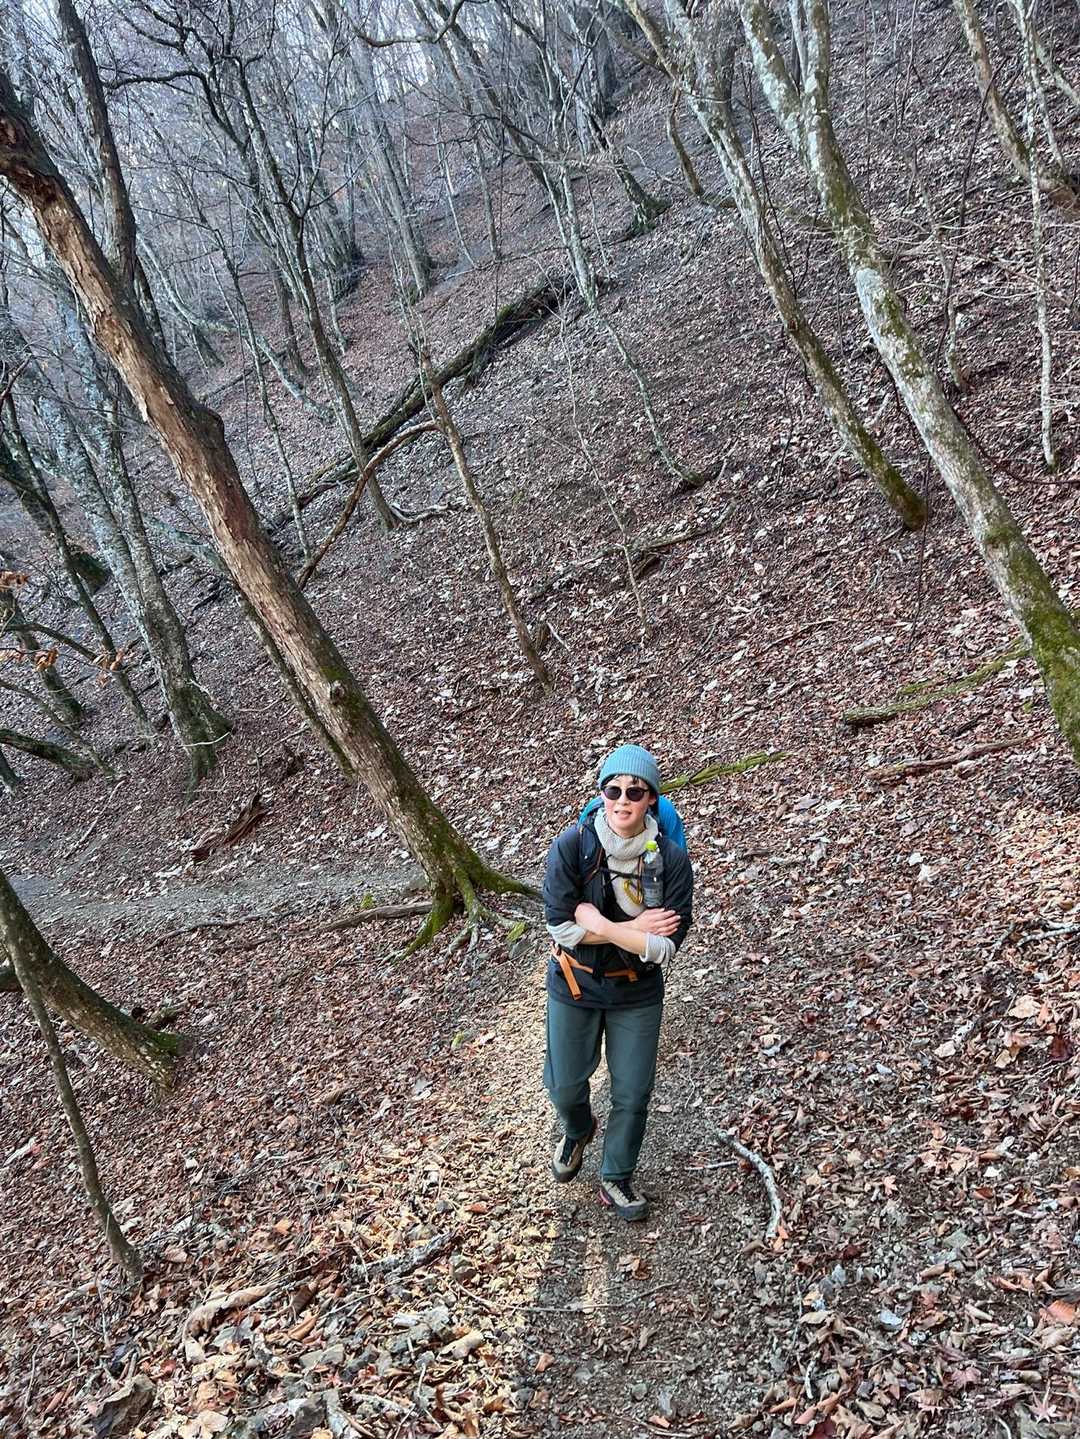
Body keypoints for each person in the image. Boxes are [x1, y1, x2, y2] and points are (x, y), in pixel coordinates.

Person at [542, 744, 694, 1221]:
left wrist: (600, 924)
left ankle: (617, 1176)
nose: (623, 800)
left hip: (637, 990)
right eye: (614, 790)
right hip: (575, 982)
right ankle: (578, 1129)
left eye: (636, 791)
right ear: (601, 794)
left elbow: (665, 947)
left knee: (632, 1092)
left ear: (652, 800)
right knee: (565, 1085)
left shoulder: (670, 859)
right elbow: (560, 926)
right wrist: (632, 930)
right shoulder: (573, 846)